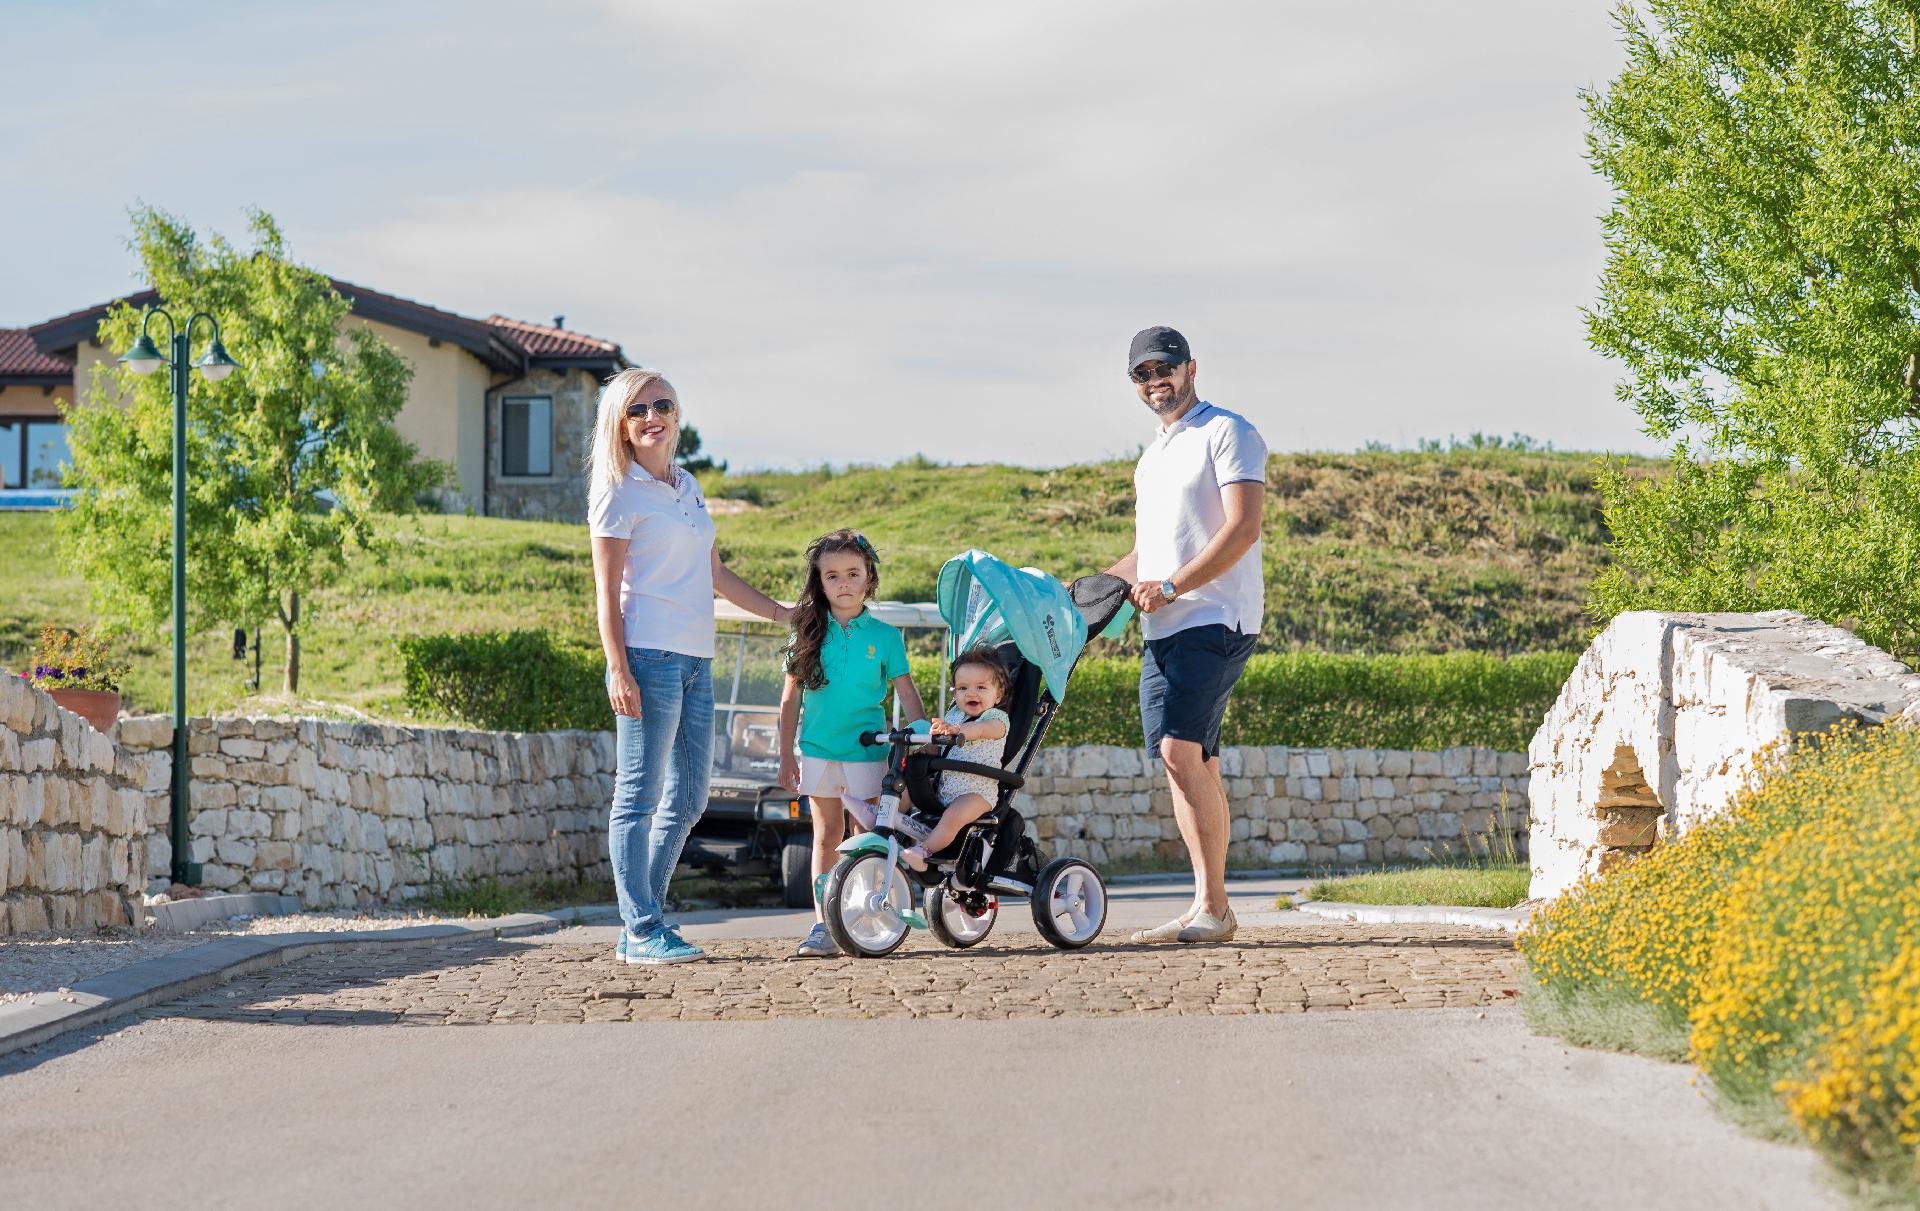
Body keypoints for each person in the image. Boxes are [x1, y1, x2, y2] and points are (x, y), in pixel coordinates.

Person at [589, 367, 791, 966]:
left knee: (691, 797)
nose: (653, 416)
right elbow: (604, 595)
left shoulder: (689, 486)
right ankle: (645, 927)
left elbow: (716, 576)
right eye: (638, 410)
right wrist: (616, 668)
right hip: (647, 659)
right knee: (638, 798)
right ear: (621, 427)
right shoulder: (616, 490)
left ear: (677, 416)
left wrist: (784, 614)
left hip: (697, 660)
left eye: (663, 405)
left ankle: (639, 924)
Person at [1103, 326, 1267, 945]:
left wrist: (1173, 586)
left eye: (1163, 368)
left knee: (1178, 753)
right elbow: (1148, 554)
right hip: (1162, 627)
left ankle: (1214, 907)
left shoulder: (1228, 432)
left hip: (1215, 617)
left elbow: (1243, 527)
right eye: (1141, 375)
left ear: (1191, 367)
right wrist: (1084, 591)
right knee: (1189, 761)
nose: (1154, 382)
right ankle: (1209, 904)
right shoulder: (1151, 459)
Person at [777, 529, 928, 957]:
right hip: (819, 752)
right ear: (819, 582)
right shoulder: (804, 631)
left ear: (869, 577)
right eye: (832, 576)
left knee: (867, 835)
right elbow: (789, 702)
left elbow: (906, 690)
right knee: (825, 836)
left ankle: (864, 920)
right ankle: (824, 925)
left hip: (868, 752)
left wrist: (925, 738)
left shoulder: (885, 636)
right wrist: (786, 754)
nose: (843, 584)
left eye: (852, 574)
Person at [899, 646, 1012, 872]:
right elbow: (941, 747)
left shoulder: (997, 718)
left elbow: (980, 730)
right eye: (963, 688)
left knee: (954, 816)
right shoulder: (954, 716)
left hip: (977, 793)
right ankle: (885, 821)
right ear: (954, 693)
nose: (971, 693)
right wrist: (930, 739)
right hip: (945, 788)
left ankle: (924, 851)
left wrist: (957, 730)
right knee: (905, 786)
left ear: (998, 694)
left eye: (981, 687)